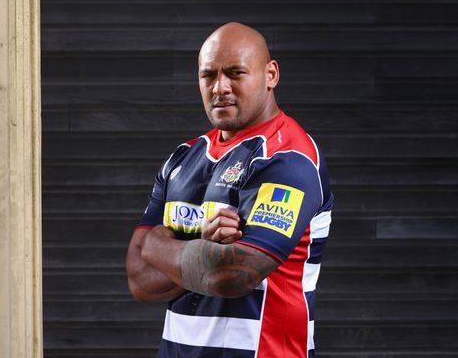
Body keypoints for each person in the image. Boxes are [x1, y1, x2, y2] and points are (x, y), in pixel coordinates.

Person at [125, 22, 333, 358]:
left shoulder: (288, 158)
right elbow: (139, 280)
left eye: (235, 73)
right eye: (209, 75)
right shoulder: (183, 158)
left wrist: (158, 244)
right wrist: (204, 249)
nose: (220, 87)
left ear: (271, 75)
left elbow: (230, 277)